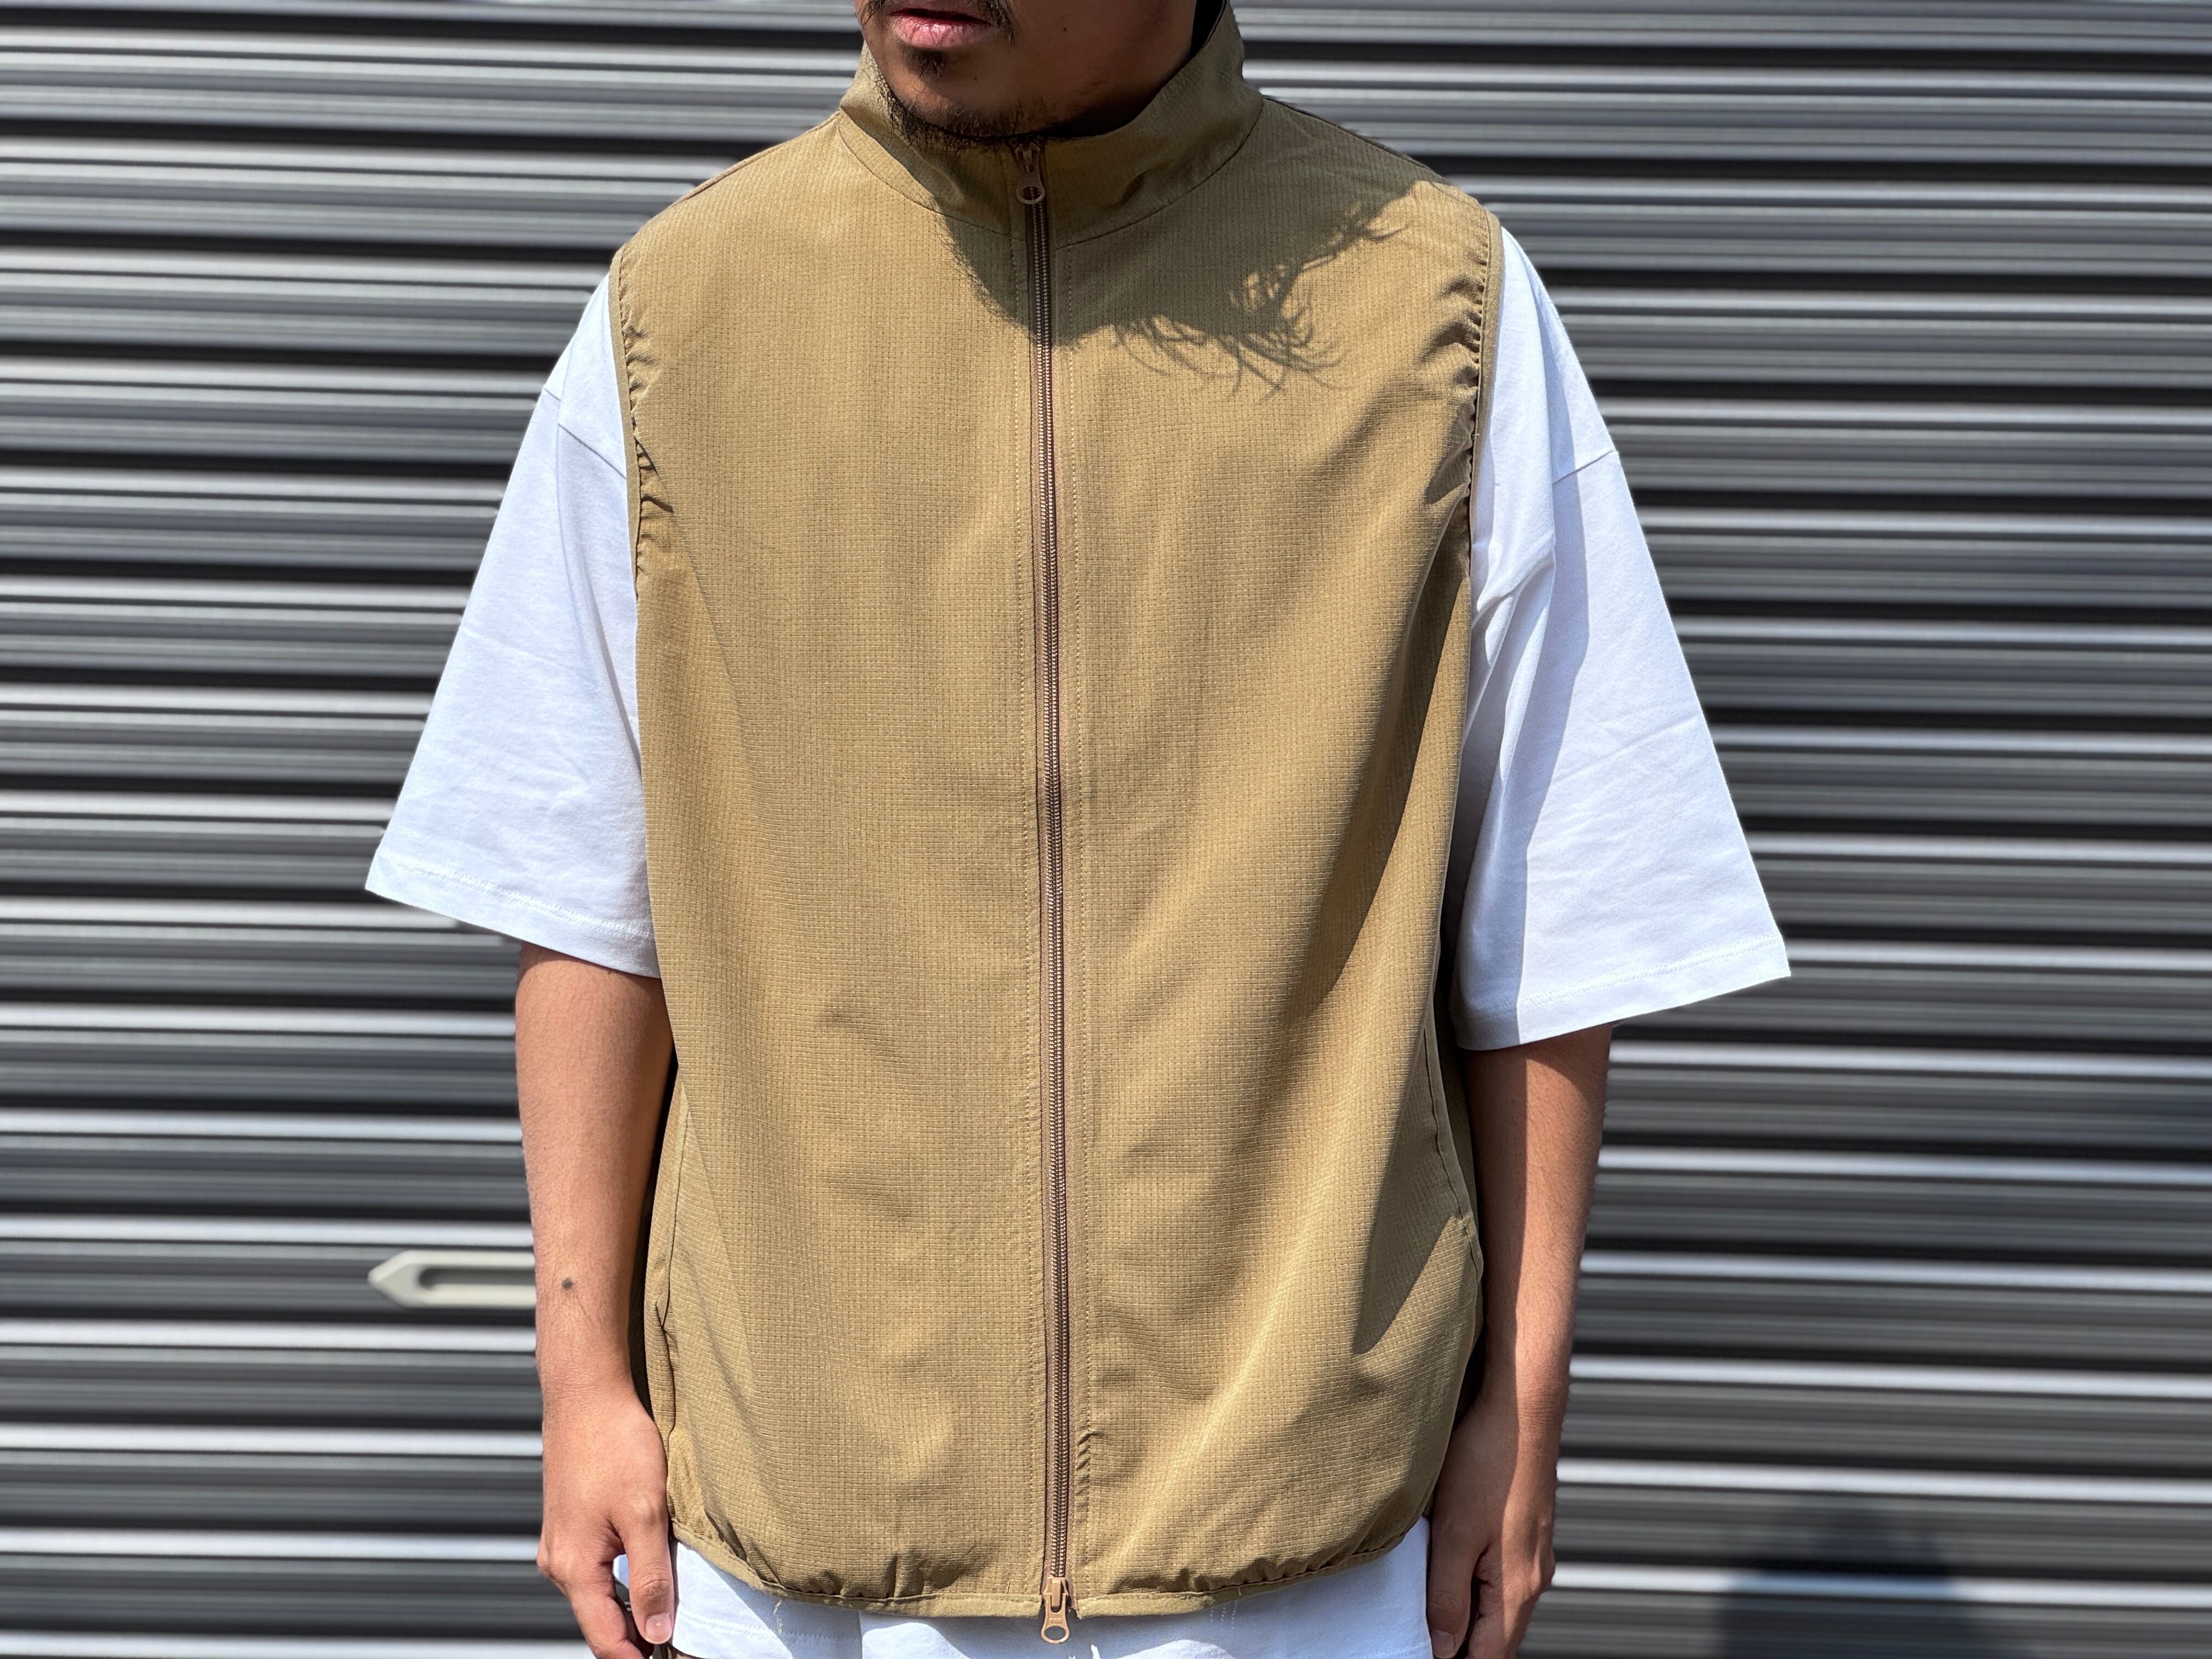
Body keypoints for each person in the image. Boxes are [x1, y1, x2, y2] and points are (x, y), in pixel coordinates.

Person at [368, 3, 1787, 1657]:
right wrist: (584, 1386)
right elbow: (582, 902)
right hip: (791, 1544)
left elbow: (1558, 924)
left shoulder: (1437, 309)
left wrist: (1521, 1415)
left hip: (1297, 1552)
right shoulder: (683, 314)